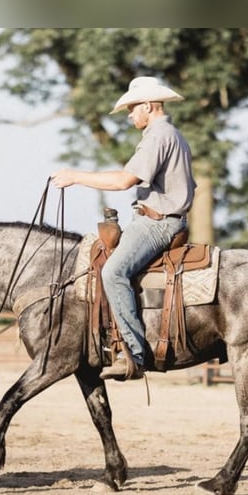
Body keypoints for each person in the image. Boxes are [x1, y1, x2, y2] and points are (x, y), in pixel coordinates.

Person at [51, 76, 196, 381]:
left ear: (147, 105)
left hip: (158, 223)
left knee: (112, 272)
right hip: (157, 218)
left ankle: (134, 352)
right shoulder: (172, 134)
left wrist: (75, 176)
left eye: (132, 108)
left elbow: (123, 181)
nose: (130, 115)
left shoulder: (158, 135)